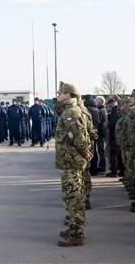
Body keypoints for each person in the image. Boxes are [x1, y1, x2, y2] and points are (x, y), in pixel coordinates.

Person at [54, 82, 92, 247]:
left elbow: (77, 137)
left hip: (72, 161)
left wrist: (85, 152)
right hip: (69, 160)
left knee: (74, 197)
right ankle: (73, 229)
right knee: (70, 196)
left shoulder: (70, 112)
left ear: (68, 95)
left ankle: (77, 234)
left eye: (60, 93)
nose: (58, 95)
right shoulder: (68, 111)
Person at [106, 98, 121, 177]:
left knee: (113, 154)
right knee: (117, 154)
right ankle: (120, 170)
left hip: (115, 136)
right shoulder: (115, 111)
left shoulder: (115, 112)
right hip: (116, 136)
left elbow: (111, 125)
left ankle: (114, 171)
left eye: (109, 105)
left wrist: (108, 124)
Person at [95, 96, 109, 173]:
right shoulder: (104, 109)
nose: (95, 102)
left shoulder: (100, 110)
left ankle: (102, 166)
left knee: (101, 150)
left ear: (100, 102)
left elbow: (99, 121)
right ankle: (102, 165)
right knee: (101, 149)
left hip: (101, 131)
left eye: (96, 101)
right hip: (103, 130)